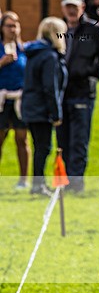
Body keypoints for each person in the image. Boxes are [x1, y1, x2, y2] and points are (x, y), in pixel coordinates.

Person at [56, 0, 99, 195]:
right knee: (62, 140)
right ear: (63, 8)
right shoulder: (58, 27)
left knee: (79, 140)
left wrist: (89, 72)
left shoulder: (93, 29)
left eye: (74, 7)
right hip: (60, 93)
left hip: (83, 92)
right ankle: (63, 182)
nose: (71, 10)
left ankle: (76, 182)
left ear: (82, 8)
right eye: (68, 7)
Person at [21, 18, 68, 197]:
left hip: (30, 105)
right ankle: (38, 185)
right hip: (41, 108)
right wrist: (56, 113)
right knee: (43, 148)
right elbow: (50, 87)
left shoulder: (35, 53)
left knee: (39, 147)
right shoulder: (49, 56)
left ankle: (38, 183)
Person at [0, 11, 29, 190]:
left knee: (22, 139)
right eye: (9, 25)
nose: (12, 29)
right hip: (2, 100)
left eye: (15, 25)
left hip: (19, 99)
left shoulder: (24, 49)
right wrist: (2, 62)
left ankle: (23, 180)